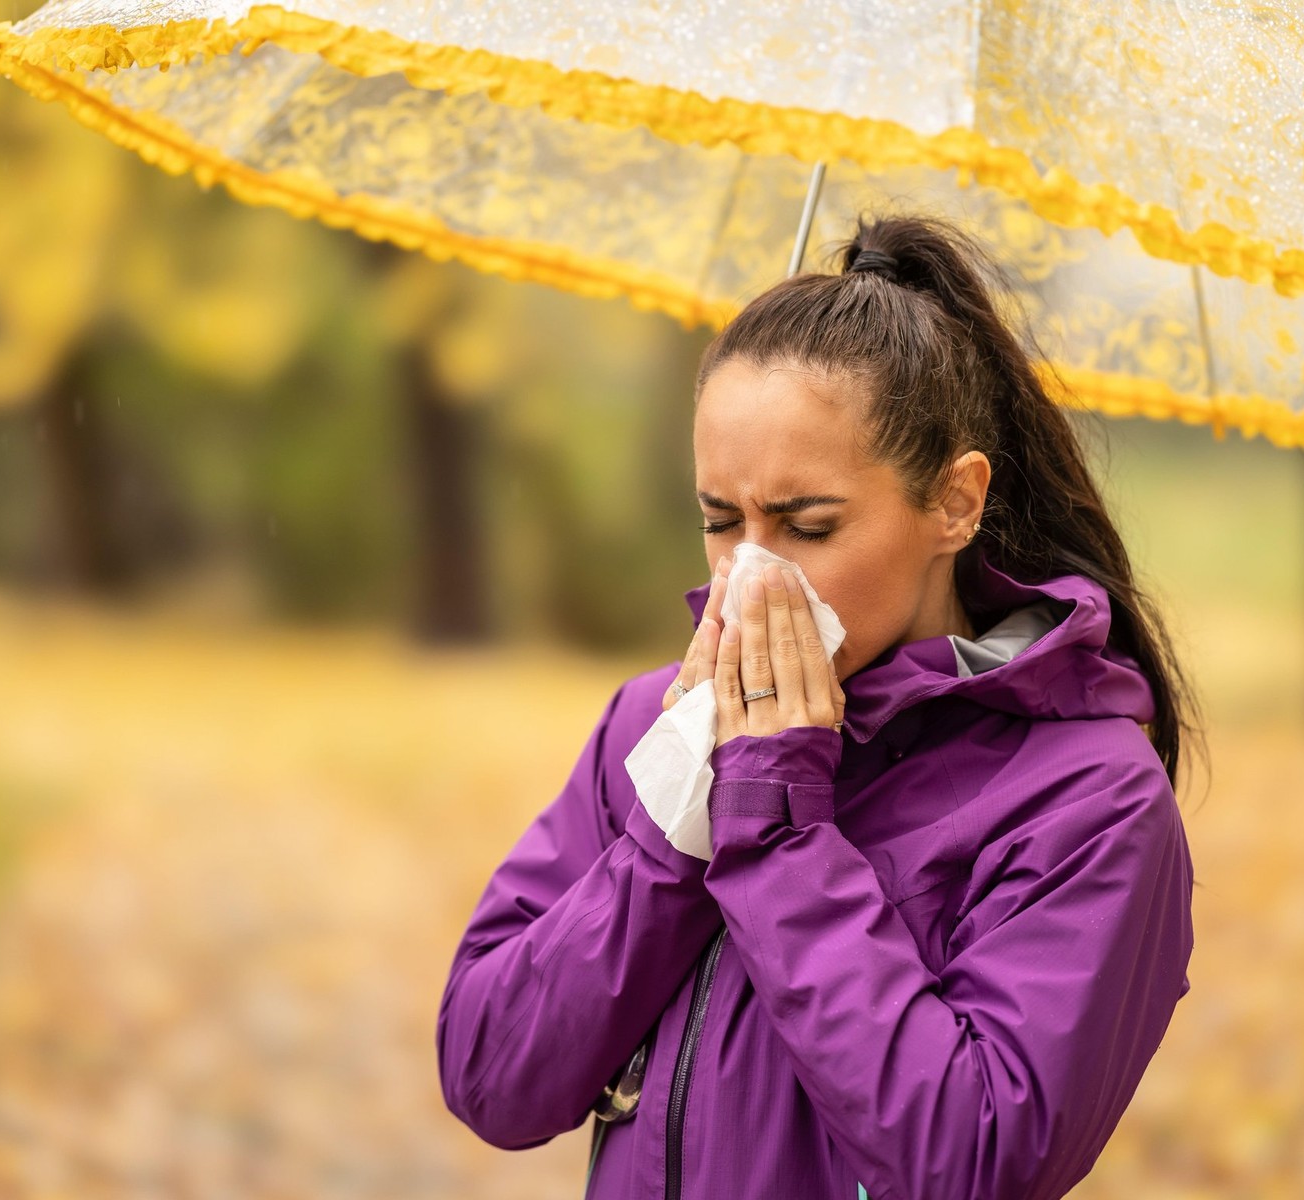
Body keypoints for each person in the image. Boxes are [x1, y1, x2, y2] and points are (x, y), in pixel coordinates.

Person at [434, 210, 1204, 1200]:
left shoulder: (1088, 802)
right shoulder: (654, 728)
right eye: (720, 520)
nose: (749, 571)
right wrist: (672, 839)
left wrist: (780, 832)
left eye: (807, 524)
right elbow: (491, 1076)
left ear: (957, 502)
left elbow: (969, 1160)